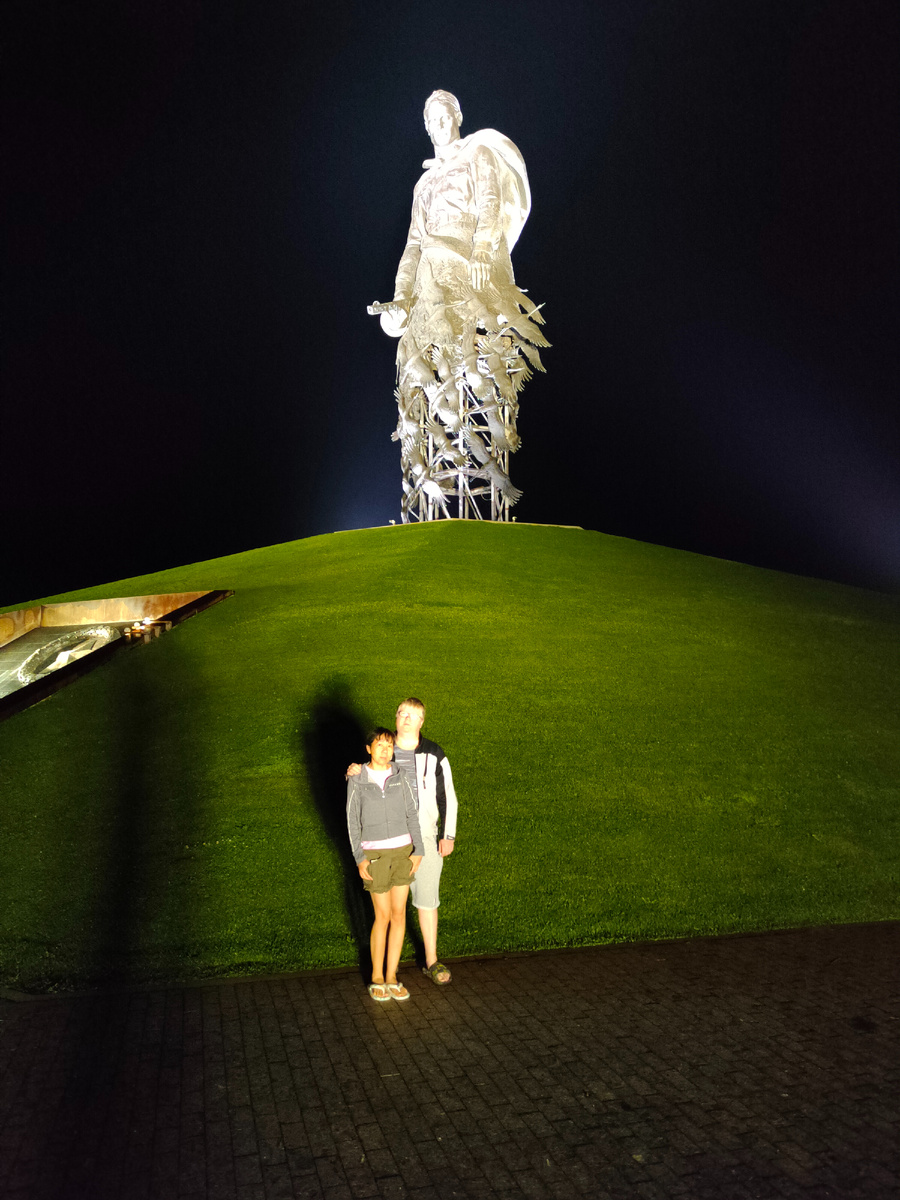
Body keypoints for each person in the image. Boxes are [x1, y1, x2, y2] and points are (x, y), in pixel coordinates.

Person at [369, 90, 548, 521]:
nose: (438, 125)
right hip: (429, 273)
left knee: (473, 363)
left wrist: (484, 248)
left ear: (457, 117)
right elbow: (413, 245)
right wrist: (400, 297)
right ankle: (428, 482)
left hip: (466, 264)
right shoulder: (423, 185)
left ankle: (487, 473)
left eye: (444, 116)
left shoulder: (477, 156)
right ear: (426, 127)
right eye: (431, 120)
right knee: (418, 369)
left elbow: (490, 205)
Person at [348, 697, 458, 985]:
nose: (406, 719)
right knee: (389, 911)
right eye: (402, 713)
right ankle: (384, 973)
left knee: (427, 899)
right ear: (396, 718)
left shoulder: (434, 753)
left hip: (425, 834)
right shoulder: (384, 749)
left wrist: (447, 835)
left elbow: (447, 794)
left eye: (413, 715)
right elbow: (365, 780)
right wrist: (352, 771)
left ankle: (431, 960)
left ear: (422, 721)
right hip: (389, 840)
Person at [346, 727, 424, 1001]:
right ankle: (377, 976)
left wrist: (418, 850)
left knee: (399, 914)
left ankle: (391, 976)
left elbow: (412, 813)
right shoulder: (357, 778)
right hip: (375, 855)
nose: (385, 750)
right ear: (369, 749)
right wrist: (359, 858)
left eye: (389, 746)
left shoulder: (400, 776)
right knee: (383, 916)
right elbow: (352, 821)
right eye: (379, 745)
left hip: (403, 852)